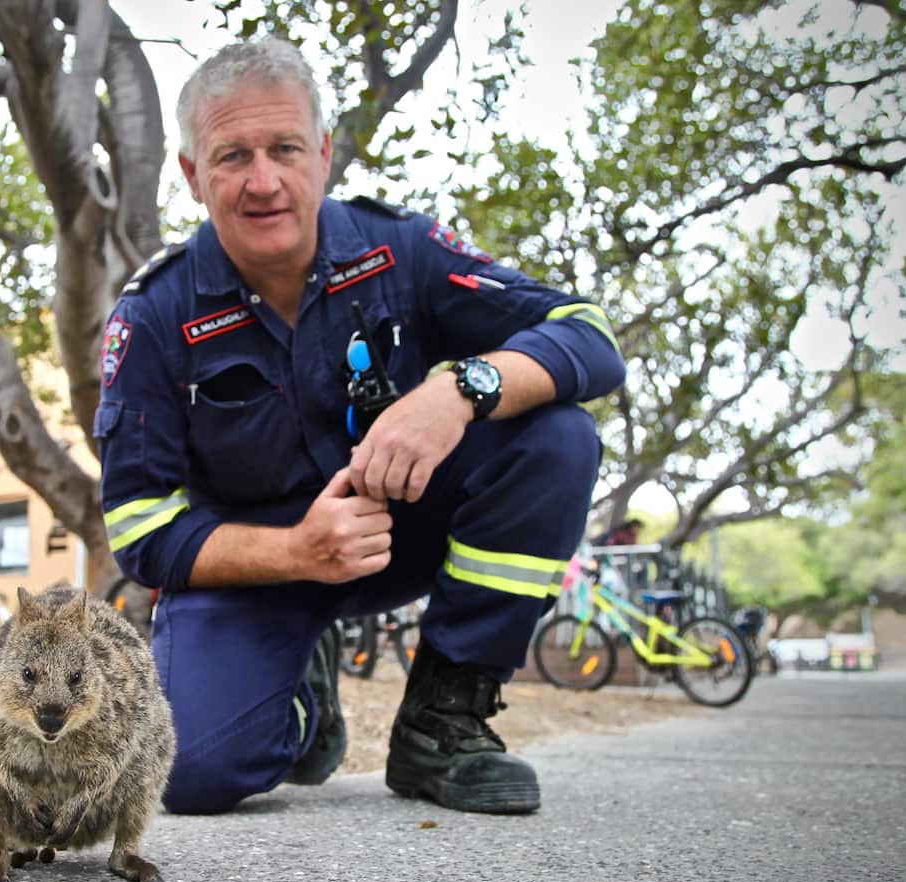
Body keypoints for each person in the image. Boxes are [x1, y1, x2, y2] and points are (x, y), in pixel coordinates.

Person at [95, 37, 626, 816]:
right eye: (232, 156)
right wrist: (295, 552)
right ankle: (303, 707)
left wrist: (459, 390)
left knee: (557, 435)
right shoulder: (154, 316)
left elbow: (588, 335)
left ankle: (445, 718)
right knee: (189, 774)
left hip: (400, 534)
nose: (264, 181)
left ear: (323, 152)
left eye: (284, 149)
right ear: (191, 174)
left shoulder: (399, 250)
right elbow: (140, 529)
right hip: (258, 570)